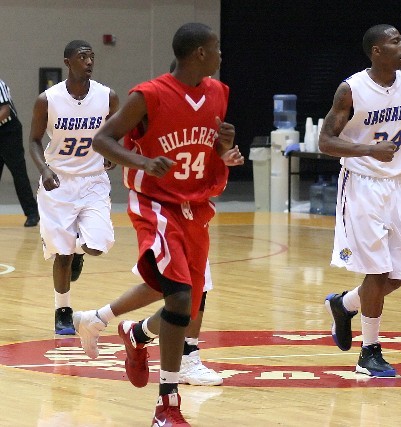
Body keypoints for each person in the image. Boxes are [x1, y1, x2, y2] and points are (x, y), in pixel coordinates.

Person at [91, 23, 234, 425]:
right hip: (155, 205)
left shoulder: (218, 94)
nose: (220, 54)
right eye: (216, 48)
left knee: (182, 305)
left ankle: (136, 334)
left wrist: (224, 148)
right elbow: (102, 140)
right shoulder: (148, 95)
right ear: (200, 53)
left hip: (195, 207)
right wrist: (142, 161)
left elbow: (206, 151)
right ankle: (167, 406)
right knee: (181, 300)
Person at [319, 24, 401, 377]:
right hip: (361, 184)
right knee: (377, 270)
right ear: (376, 51)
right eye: (395, 42)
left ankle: (344, 304)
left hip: (395, 185)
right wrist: (370, 150)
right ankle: (369, 353)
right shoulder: (351, 89)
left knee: (397, 276)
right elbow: (325, 142)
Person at [73, 147, 243, 386]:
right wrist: (136, 161)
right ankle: (185, 357)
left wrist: (219, 158)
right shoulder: (153, 128)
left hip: (191, 203)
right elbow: (109, 138)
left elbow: (202, 152)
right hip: (162, 204)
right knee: (183, 288)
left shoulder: (200, 130)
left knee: (175, 288)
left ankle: (121, 327)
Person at [29, 40, 118, 335]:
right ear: (68, 62)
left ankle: (76, 248)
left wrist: (112, 152)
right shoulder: (48, 99)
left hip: (93, 180)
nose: (89, 62)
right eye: (82, 57)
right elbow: (34, 140)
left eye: (92, 57)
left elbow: (115, 133)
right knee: (62, 255)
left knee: (96, 246)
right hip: (59, 182)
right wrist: (44, 170)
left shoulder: (107, 96)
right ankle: (63, 311)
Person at [0, 78, 39, 227]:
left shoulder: (0, 84)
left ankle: (32, 213)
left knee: (19, 173)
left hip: (8, 131)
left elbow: (5, 111)